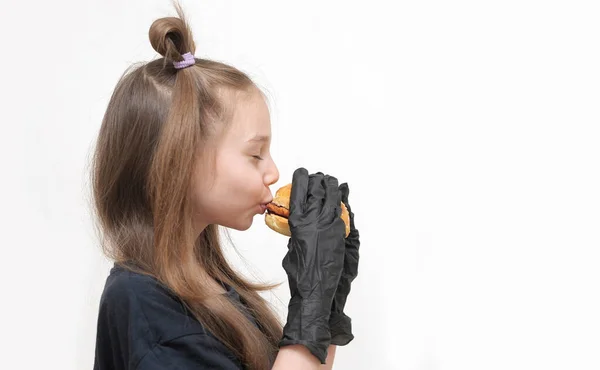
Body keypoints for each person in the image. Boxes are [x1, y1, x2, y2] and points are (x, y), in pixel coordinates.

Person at [91, 4, 360, 370]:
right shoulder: (146, 307)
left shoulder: (214, 288)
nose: (274, 171)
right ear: (181, 162)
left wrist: (326, 306)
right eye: (255, 154)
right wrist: (309, 306)